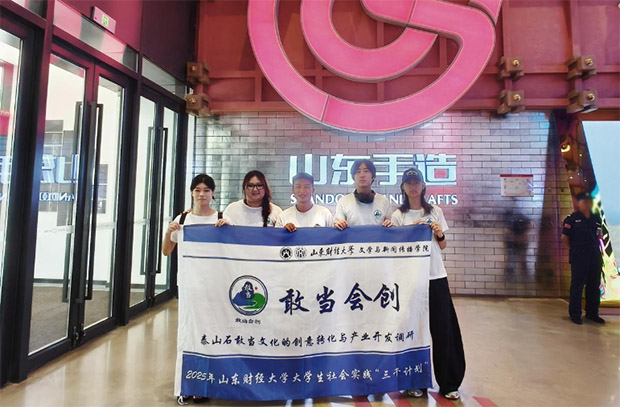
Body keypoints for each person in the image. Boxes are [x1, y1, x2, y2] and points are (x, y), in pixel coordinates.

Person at [391, 167, 465, 401]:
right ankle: (415, 382)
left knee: (443, 331)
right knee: (413, 331)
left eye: (416, 183)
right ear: (403, 188)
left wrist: (439, 233)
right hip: (411, 280)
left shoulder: (435, 211)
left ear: (423, 186)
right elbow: (396, 249)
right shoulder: (398, 216)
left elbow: (442, 245)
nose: (413, 187)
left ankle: (449, 383)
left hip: (436, 277)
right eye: (408, 183)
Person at [562, 192, 605, 325]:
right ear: (579, 203)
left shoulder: (596, 218)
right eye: (584, 201)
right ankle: (575, 314)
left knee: (594, 285)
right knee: (577, 285)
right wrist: (574, 250)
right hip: (579, 255)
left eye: (589, 202)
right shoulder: (572, 219)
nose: (588, 204)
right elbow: (565, 238)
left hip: (594, 255)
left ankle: (592, 313)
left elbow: (599, 236)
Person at [162, 174, 220, 256]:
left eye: (206, 190)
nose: (201, 194)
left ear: (213, 193)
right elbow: (166, 252)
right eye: (197, 190)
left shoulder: (220, 219)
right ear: (192, 193)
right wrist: (168, 232)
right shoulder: (182, 219)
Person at [333, 159, 392, 229]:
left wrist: (389, 224)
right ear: (353, 177)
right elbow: (337, 227)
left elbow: (391, 228)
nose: (362, 175)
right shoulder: (344, 202)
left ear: (373, 176)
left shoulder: (383, 201)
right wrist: (339, 224)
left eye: (366, 171)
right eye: (358, 172)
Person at [217, 170, 282, 227]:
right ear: (244, 188)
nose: (255, 189)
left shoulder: (276, 211)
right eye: (250, 186)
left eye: (259, 185)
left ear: (266, 188)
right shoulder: (232, 209)